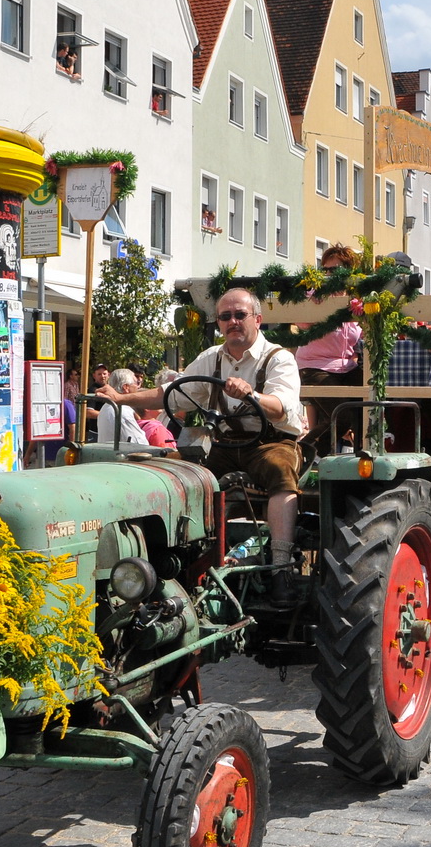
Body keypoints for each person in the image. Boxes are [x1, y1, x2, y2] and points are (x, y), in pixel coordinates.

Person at [100, 289, 306, 604]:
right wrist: (120, 398)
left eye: (240, 315)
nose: (233, 322)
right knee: (179, 473)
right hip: (223, 444)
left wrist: (251, 394)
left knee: (280, 472)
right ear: (219, 323)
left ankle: (281, 567)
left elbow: (282, 407)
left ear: (257, 320)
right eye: (226, 317)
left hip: (270, 443)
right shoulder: (211, 358)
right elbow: (167, 394)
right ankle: (178, 561)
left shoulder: (278, 359)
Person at [295, 243, 364, 451]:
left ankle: (362, 454)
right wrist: (315, 302)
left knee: (370, 402)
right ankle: (303, 450)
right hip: (314, 365)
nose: (327, 274)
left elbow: (358, 337)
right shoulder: (316, 295)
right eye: (324, 269)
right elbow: (302, 323)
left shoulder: (354, 299)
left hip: (345, 367)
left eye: (334, 270)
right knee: (342, 416)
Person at [96, 368, 145, 445]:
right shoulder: (121, 410)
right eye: (136, 383)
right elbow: (140, 443)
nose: (138, 387)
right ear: (126, 387)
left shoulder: (107, 406)